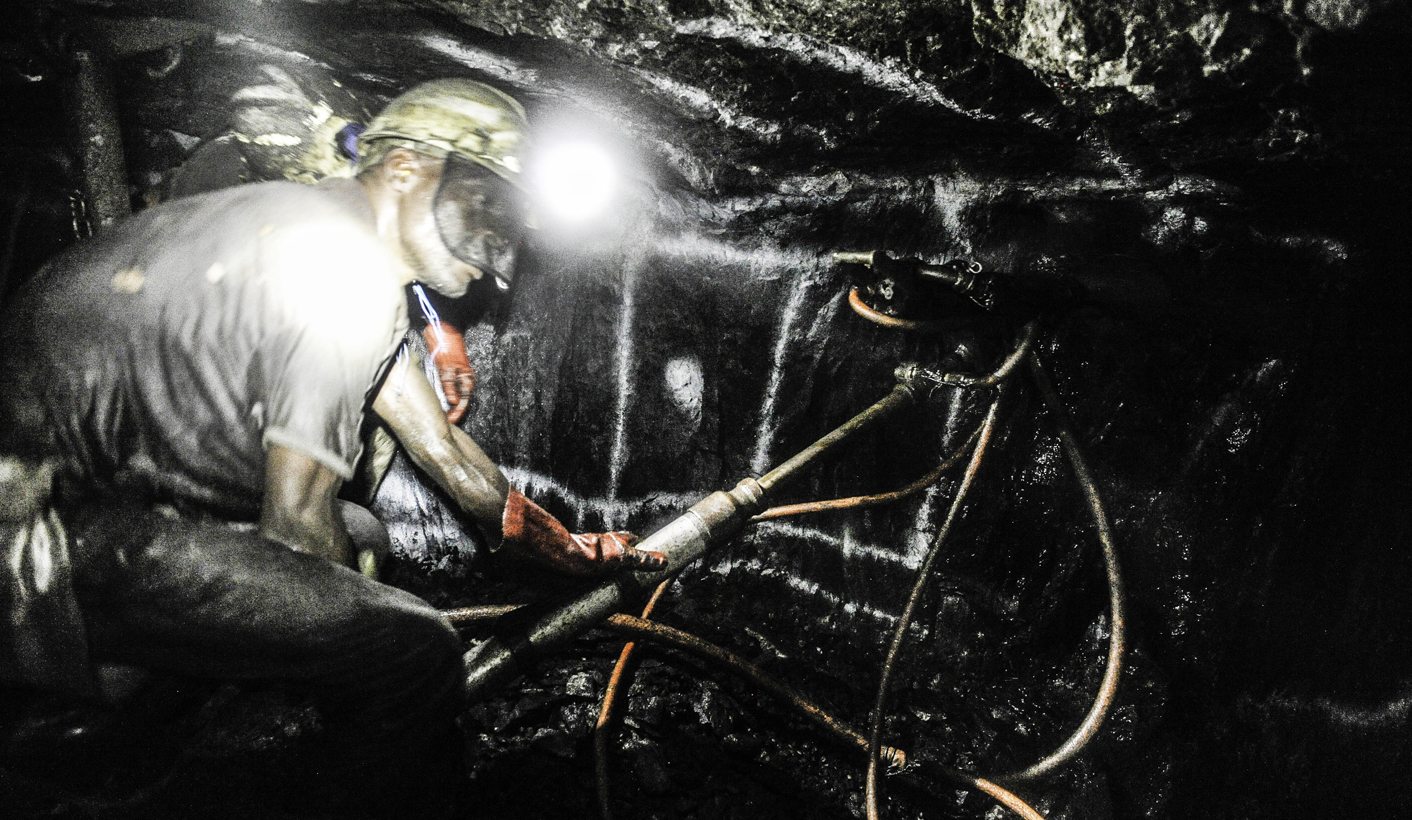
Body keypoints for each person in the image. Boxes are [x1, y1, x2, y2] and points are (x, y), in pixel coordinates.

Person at [0, 78, 666, 812]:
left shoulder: (322, 241)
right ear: (406, 169)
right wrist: (367, 635)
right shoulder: (341, 270)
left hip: (87, 515)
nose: (497, 255)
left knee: (363, 533)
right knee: (413, 652)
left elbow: (443, 450)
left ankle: (112, 741)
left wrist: (567, 549)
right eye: (486, 205)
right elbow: (296, 529)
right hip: (41, 534)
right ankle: (102, 743)